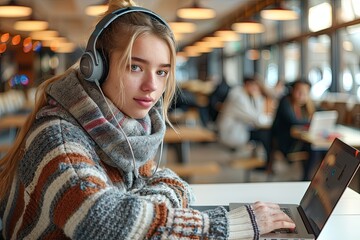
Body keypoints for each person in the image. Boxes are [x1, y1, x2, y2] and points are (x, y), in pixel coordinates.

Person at [0, 1, 295, 239]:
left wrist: (138, 210)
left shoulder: (122, 127)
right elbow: (101, 221)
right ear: (97, 68)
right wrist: (231, 226)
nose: (152, 87)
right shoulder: (59, 137)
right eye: (135, 67)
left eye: (162, 72)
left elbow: (170, 181)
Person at [217, 77, 273, 162]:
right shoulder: (238, 98)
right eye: (255, 87)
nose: (257, 90)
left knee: (264, 134)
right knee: (264, 135)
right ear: (247, 85)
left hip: (238, 130)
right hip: (231, 133)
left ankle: (264, 162)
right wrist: (257, 98)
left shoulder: (242, 95)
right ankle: (265, 163)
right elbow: (255, 118)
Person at [270, 79, 316, 179]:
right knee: (314, 149)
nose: (301, 95)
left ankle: (308, 179)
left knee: (318, 149)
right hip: (285, 143)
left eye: (305, 93)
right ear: (292, 91)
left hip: (299, 140)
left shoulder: (307, 106)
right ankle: (306, 179)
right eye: (299, 91)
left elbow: (320, 113)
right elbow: (293, 120)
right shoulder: (285, 101)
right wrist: (312, 121)